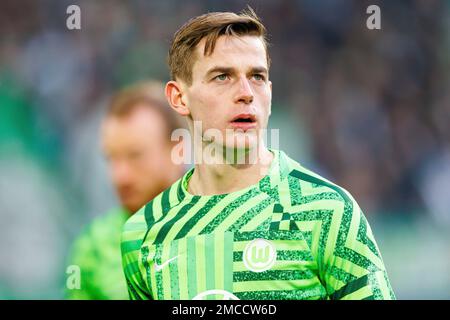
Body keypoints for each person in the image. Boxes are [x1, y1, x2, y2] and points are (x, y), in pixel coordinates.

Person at [121, 8, 396, 300]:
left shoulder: (325, 211)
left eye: (257, 77)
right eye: (222, 77)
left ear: (270, 92)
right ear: (179, 97)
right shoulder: (144, 234)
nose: (246, 92)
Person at [66, 81, 185, 299]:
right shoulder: (93, 247)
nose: (119, 176)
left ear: (178, 148)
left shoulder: (223, 227)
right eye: (111, 158)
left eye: (135, 155)